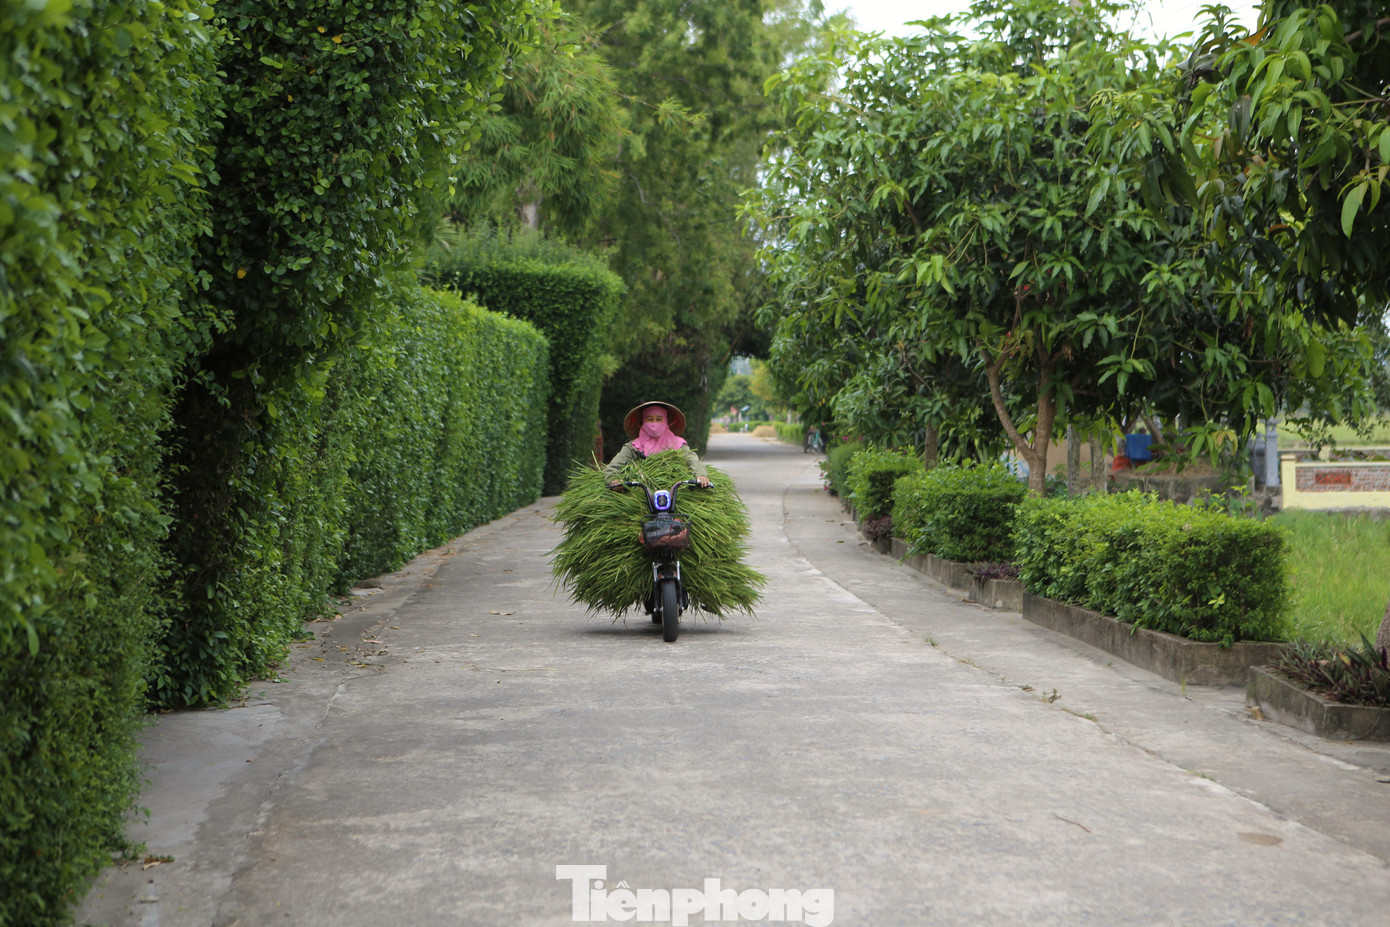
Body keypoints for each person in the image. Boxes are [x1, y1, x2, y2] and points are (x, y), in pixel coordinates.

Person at [605, 401, 711, 488]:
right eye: (650, 419)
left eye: (659, 419)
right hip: (641, 492)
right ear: (643, 422)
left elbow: (692, 460)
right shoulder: (633, 446)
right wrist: (614, 480)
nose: (654, 424)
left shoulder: (677, 444)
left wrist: (700, 475)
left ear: (666, 422)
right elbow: (614, 466)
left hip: (674, 492)